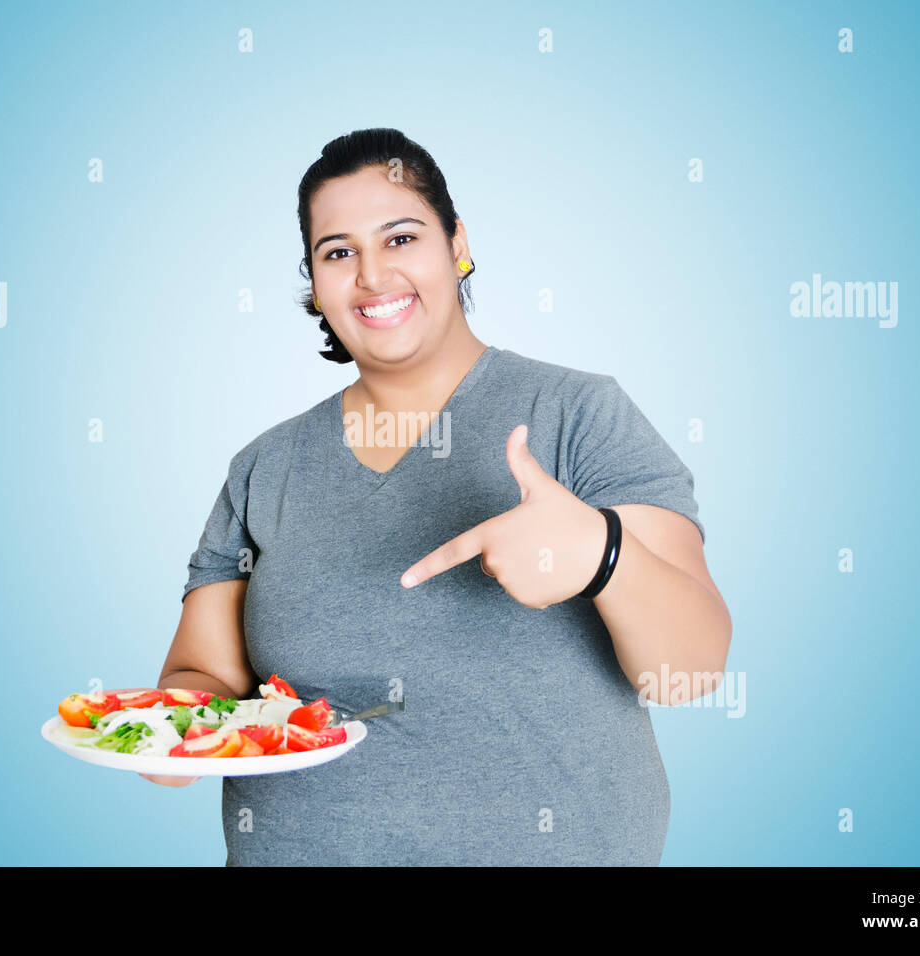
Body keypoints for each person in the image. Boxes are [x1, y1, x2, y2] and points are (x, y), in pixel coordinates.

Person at [142, 128, 732, 866]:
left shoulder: (579, 415)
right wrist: (173, 726)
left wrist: (601, 553)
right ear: (316, 283)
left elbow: (693, 668)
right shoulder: (264, 467)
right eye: (338, 252)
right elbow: (206, 675)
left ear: (457, 245)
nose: (371, 274)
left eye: (401, 237)